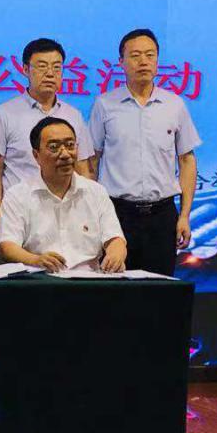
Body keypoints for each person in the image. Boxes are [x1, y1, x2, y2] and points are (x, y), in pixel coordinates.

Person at [88, 28, 201, 277]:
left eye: (150, 55)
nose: (143, 61)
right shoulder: (104, 104)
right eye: (135, 55)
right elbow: (91, 161)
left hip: (162, 215)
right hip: (117, 214)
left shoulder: (174, 105)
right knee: (115, 288)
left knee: (159, 290)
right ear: (121, 62)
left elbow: (187, 160)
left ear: (157, 61)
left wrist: (184, 215)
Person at [0, 117, 126, 273]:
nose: (65, 154)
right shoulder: (17, 195)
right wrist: (35, 260)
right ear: (36, 155)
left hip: (89, 279)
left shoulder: (96, 192)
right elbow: (8, 245)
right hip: (41, 278)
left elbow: (115, 239)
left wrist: (115, 255)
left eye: (70, 145)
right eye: (54, 147)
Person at [0, 37, 92, 224]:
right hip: (20, 213)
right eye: (42, 66)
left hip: (67, 214)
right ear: (25, 69)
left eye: (57, 67)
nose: (50, 73)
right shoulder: (4, 113)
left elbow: (82, 168)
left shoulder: (73, 115)